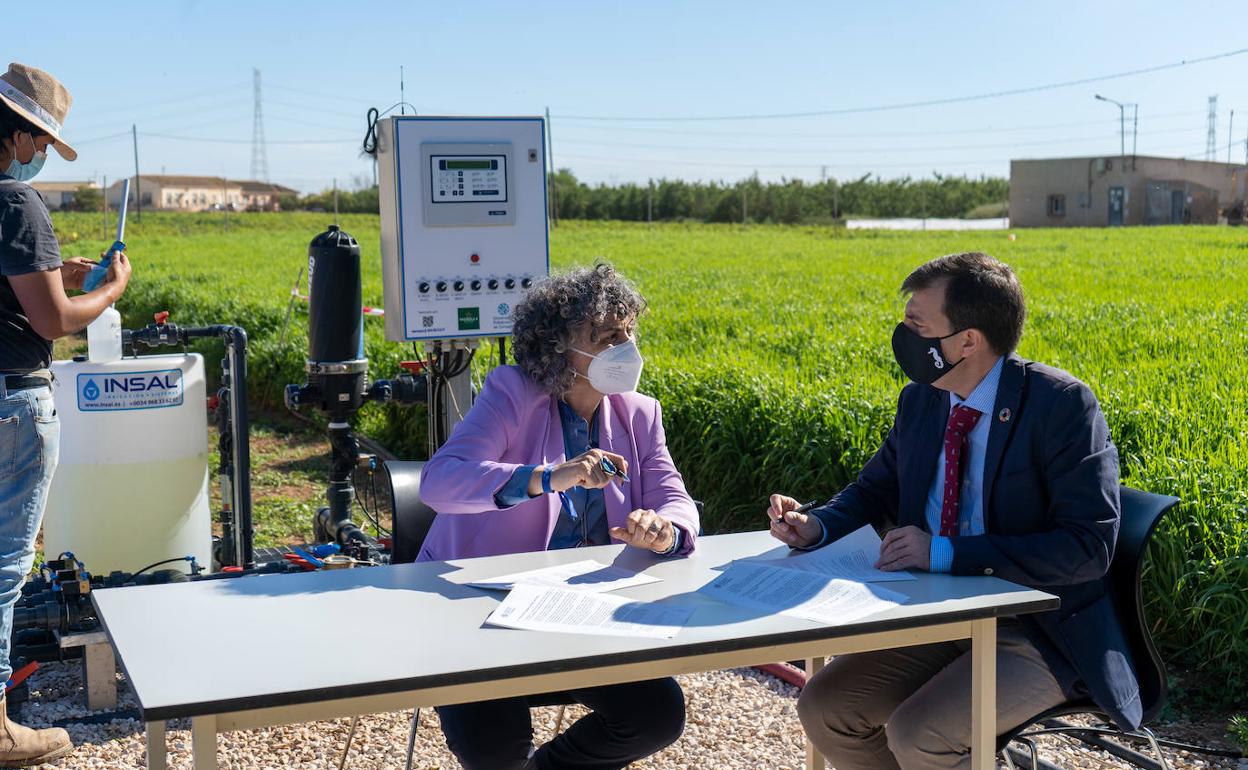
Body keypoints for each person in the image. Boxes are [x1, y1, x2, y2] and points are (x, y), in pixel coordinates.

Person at [767, 252, 1138, 770]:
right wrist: (818, 523)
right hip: (939, 615)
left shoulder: (1061, 406)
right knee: (826, 707)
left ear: (968, 340)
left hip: (1034, 628)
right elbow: (875, 489)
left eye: (918, 326)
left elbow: (1087, 548)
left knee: (920, 734)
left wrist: (945, 552)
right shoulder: (922, 400)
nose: (904, 337)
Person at [418, 264, 698, 770]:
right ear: (558, 347)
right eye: (608, 335)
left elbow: (674, 498)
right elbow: (440, 482)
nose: (626, 346)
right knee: (494, 746)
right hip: (481, 619)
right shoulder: (512, 394)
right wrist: (547, 477)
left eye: (629, 332)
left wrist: (666, 531)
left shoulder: (639, 412)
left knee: (657, 713)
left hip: (580, 614)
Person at [0, 62, 132, 766]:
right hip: (14, 404)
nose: (41, 152)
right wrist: (107, 290)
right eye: (41, 140)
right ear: (22, 134)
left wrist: (56, 268)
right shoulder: (16, 204)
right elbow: (51, 322)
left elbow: (21, 288)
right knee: (3, 566)